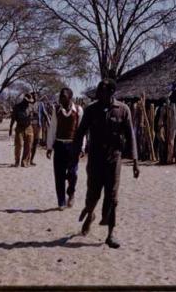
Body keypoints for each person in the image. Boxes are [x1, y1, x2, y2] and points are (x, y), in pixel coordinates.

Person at [71, 79, 140, 249]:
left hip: (113, 160)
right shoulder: (91, 110)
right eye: (98, 92)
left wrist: (135, 161)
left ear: (111, 93)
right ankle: (90, 214)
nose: (100, 95)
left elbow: (130, 135)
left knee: (113, 197)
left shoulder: (122, 110)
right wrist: (75, 153)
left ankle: (110, 234)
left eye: (103, 92)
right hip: (95, 160)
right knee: (93, 194)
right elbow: (80, 133)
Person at [46, 88, 85, 210]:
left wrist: (82, 147)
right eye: (60, 96)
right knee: (59, 175)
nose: (60, 99)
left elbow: (81, 131)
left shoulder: (78, 110)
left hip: (73, 146)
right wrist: (49, 147)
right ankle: (61, 202)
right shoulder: (56, 110)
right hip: (59, 145)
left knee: (73, 173)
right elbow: (52, 128)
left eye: (63, 96)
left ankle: (71, 192)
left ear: (70, 97)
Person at [9, 93, 35, 167]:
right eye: (27, 101)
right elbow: (13, 118)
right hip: (19, 128)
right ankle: (17, 161)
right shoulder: (17, 107)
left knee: (29, 145)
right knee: (19, 145)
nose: (28, 103)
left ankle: (24, 162)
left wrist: (31, 118)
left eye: (30, 101)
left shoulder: (31, 107)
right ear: (24, 100)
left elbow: (33, 117)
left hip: (29, 127)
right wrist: (10, 128)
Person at [28, 92, 50, 166]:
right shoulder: (29, 104)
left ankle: (31, 160)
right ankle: (26, 159)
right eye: (33, 96)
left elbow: (45, 113)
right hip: (29, 126)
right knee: (29, 143)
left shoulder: (40, 104)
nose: (34, 97)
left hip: (38, 126)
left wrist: (49, 123)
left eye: (36, 96)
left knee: (35, 143)